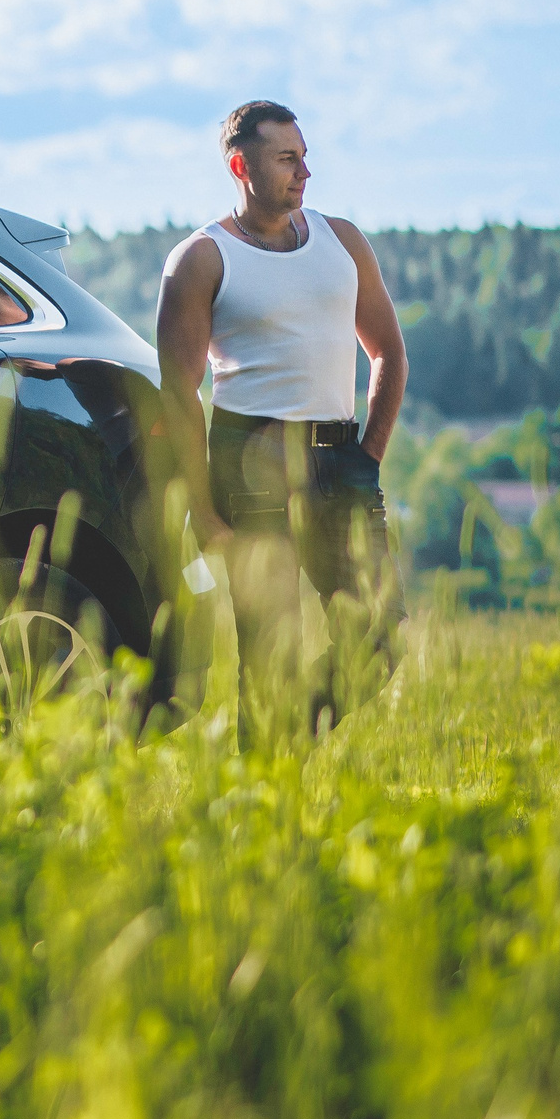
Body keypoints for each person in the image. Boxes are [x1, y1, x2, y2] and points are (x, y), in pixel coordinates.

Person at [155, 100, 408, 734]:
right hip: (249, 463)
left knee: (380, 635)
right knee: (267, 658)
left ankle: (288, 733)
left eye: (305, 157)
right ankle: (264, 809)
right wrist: (202, 511)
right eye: (287, 159)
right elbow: (179, 393)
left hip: (340, 460)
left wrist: (367, 456)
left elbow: (387, 353)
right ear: (241, 165)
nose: (304, 173)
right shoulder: (201, 259)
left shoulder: (342, 241)